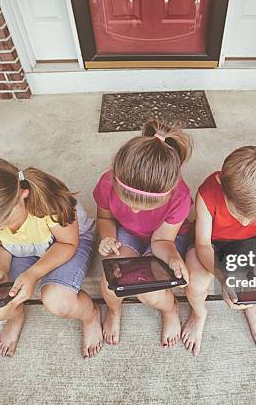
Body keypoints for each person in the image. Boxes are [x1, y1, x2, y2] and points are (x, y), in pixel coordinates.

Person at [0, 156, 102, 358]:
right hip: (21, 250)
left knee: (58, 300)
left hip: (66, 243)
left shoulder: (49, 203)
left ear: (22, 194)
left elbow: (67, 244)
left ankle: (90, 315)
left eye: (3, 222)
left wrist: (33, 274)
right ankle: (15, 317)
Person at [182, 146, 256, 355]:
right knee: (196, 282)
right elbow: (203, 245)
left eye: (252, 217)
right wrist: (224, 278)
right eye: (240, 212)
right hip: (210, 242)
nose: (245, 220)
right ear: (221, 183)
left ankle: (252, 309)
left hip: (248, 242)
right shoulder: (208, 191)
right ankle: (198, 314)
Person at [93, 120, 193, 347]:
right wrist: (108, 237)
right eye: (129, 203)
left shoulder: (180, 197)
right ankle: (114, 310)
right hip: (126, 233)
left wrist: (174, 257)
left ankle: (170, 309)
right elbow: (105, 217)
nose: (135, 210)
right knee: (110, 282)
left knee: (151, 291)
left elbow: (162, 240)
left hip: (165, 238)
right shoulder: (107, 182)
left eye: (145, 207)